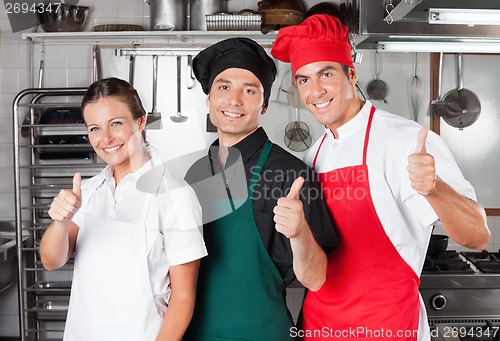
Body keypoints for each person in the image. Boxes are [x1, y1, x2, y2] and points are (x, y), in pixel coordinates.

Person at [271, 14, 491, 340]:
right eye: (303, 80)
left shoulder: (405, 140)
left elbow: (478, 236)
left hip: (388, 327)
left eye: (326, 74)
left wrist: (435, 189)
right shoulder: (312, 156)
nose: (315, 90)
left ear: (352, 74)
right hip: (321, 327)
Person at [182, 37, 338, 341]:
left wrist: (300, 232)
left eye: (249, 90)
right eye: (224, 87)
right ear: (208, 99)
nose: (234, 100)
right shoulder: (194, 174)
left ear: (264, 105)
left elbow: (317, 279)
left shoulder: (292, 174)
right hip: (195, 333)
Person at [39, 77, 207, 341]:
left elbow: (183, 298)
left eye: (116, 123)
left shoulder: (176, 195)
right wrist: (61, 221)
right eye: (94, 128)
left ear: (140, 122)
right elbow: (51, 261)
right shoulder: (90, 191)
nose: (105, 138)